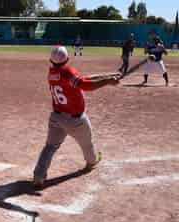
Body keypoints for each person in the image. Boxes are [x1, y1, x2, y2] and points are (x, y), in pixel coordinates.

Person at [33, 46, 120, 188]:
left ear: (51, 60)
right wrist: (108, 82)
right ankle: (91, 162)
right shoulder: (68, 71)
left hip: (56, 118)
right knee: (87, 144)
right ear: (67, 58)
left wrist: (106, 77)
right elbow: (85, 85)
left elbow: (81, 80)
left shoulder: (52, 72)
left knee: (49, 147)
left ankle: (38, 176)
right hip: (76, 120)